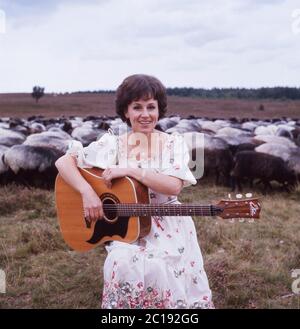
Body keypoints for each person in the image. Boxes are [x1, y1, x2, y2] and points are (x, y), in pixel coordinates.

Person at [55, 74, 214, 309]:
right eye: (137, 107)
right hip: (128, 226)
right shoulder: (112, 144)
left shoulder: (173, 143)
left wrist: (131, 169)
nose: (145, 114)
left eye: (151, 107)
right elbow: (63, 163)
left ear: (159, 109)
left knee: (159, 268)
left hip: (169, 225)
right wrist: (87, 192)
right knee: (122, 262)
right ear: (126, 111)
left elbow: (173, 185)